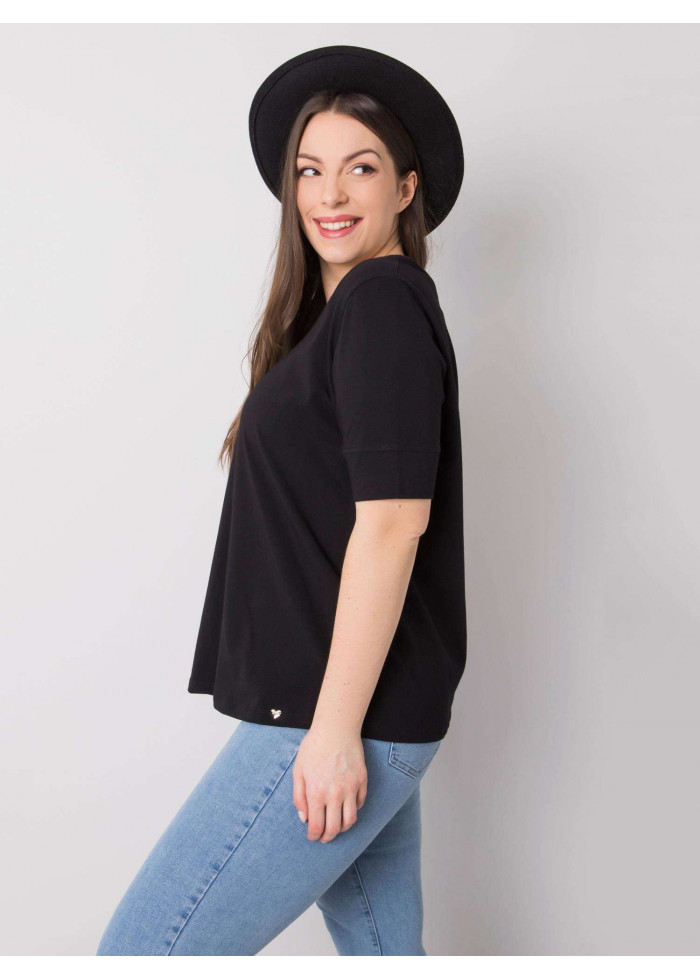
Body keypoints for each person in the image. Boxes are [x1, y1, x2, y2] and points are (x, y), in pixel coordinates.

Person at [96, 43, 467, 957]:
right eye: (310, 169)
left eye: (361, 168)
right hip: (366, 712)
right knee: (385, 956)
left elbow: (393, 524)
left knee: (142, 955)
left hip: (338, 716)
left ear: (406, 188)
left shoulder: (381, 304)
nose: (330, 193)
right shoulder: (341, 320)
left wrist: (334, 732)